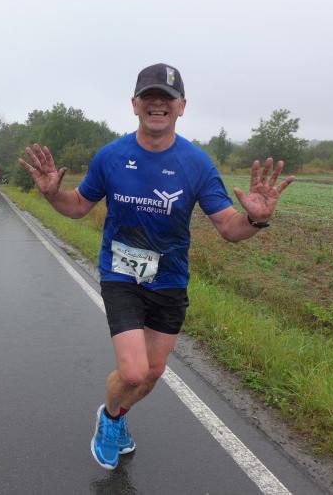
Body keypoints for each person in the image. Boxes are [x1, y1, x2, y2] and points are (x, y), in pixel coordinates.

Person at [17, 63, 294, 470]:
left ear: (182, 106)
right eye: (149, 96)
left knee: (153, 372)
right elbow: (77, 207)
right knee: (133, 372)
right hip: (122, 272)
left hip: (169, 279)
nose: (157, 104)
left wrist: (254, 219)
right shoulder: (112, 157)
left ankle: (118, 417)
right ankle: (109, 419)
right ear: (135, 104)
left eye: (167, 98)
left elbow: (228, 228)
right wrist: (52, 195)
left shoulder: (196, 164)